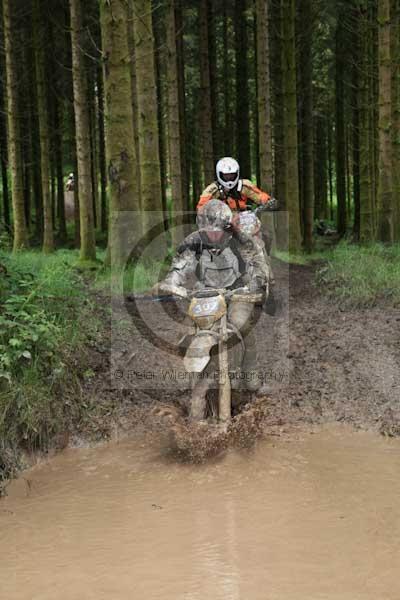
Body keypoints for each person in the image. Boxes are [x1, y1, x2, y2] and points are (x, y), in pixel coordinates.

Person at [154, 200, 267, 417]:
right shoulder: (193, 242)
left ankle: (250, 373)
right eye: (208, 230)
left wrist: (255, 284)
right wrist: (172, 283)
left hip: (236, 293)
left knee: (242, 325)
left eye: (218, 230)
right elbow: (180, 266)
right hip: (204, 293)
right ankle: (194, 377)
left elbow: (256, 263)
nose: (213, 235)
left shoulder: (240, 240)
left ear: (227, 226)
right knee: (186, 331)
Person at [197, 157, 277, 213]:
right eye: (226, 175)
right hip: (221, 224)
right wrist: (210, 213)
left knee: (260, 235)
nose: (229, 178)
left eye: (232, 175)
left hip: (243, 223)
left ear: (237, 174)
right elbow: (201, 207)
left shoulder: (244, 185)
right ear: (220, 174)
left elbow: (259, 196)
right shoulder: (212, 189)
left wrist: (267, 202)